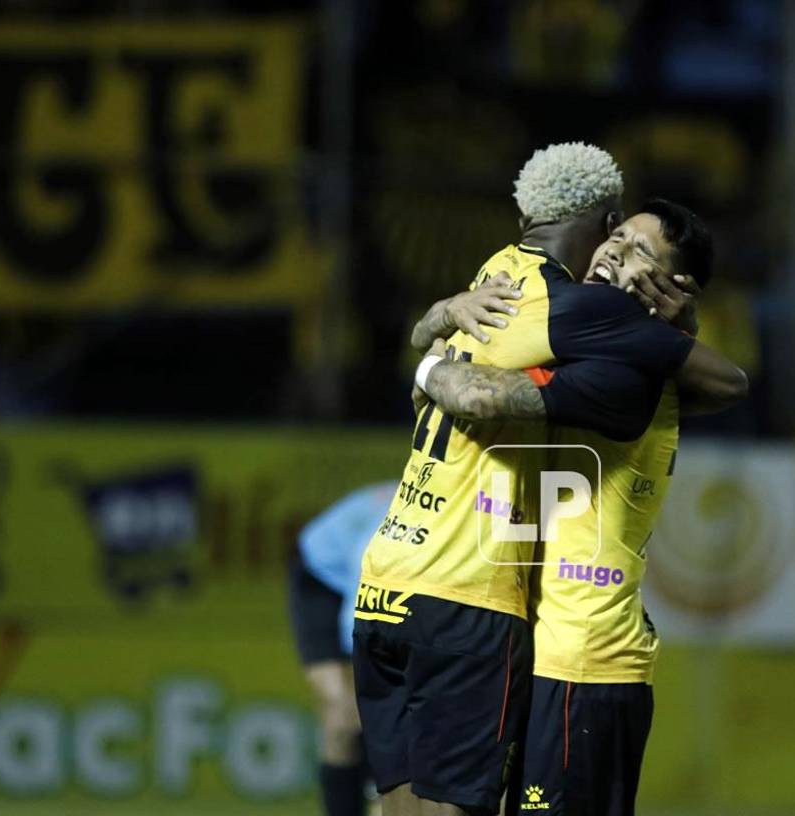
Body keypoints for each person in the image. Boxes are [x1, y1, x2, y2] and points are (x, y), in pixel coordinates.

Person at [352, 143, 746, 816]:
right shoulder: (572, 329)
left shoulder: (604, 343)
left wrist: (432, 349)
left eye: (642, 252)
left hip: (587, 653)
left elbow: (730, 381)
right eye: (617, 236)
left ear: (675, 289)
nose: (617, 253)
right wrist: (442, 317)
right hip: (530, 638)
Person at [288, 481, 396, 816]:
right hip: (322, 578)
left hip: (370, 585)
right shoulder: (385, 546)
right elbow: (359, 626)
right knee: (344, 714)